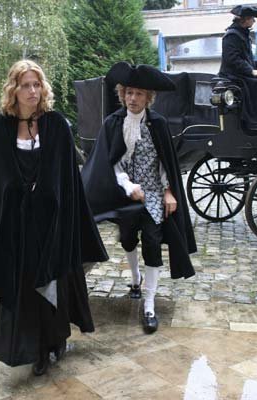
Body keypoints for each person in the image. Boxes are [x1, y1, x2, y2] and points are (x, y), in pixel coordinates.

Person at [0, 60, 108, 376]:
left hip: (53, 223)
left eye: (37, 84)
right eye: (25, 85)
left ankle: (56, 339)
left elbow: (68, 180)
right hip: (17, 226)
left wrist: (50, 199)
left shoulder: (56, 126)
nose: (32, 91)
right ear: (14, 89)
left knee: (54, 282)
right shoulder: (0, 130)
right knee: (25, 288)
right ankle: (35, 348)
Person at [81, 62, 196, 334]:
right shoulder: (113, 123)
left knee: (153, 243)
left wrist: (168, 191)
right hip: (124, 193)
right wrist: (127, 185)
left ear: (148, 98)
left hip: (153, 194)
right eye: (129, 93)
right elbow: (110, 162)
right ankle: (135, 278)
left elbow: (165, 162)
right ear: (123, 94)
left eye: (139, 94)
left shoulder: (158, 124)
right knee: (128, 238)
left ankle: (149, 304)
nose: (133, 98)